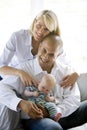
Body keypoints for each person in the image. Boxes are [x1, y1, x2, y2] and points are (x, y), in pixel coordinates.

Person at [0, 34, 81, 130]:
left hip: (61, 114)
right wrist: (20, 103)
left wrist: (55, 111)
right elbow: (2, 87)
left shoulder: (66, 71)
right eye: (44, 50)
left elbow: (74, 99)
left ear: (58, 55)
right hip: (36, 118)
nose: (46, 56)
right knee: (53, 128)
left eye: (51, 54)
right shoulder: (25, 69)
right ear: (39, 46)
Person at [0, 9, 78, 88]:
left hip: (35, 85)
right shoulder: (17, 37)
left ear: (52, 32)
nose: (40, 31)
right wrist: (20, 72)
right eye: (39, 25)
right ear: (34, 22)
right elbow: (1, 66)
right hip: (11, 79)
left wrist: (75, 74)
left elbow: (67, 65)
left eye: (46, 29)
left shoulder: (53, 45)